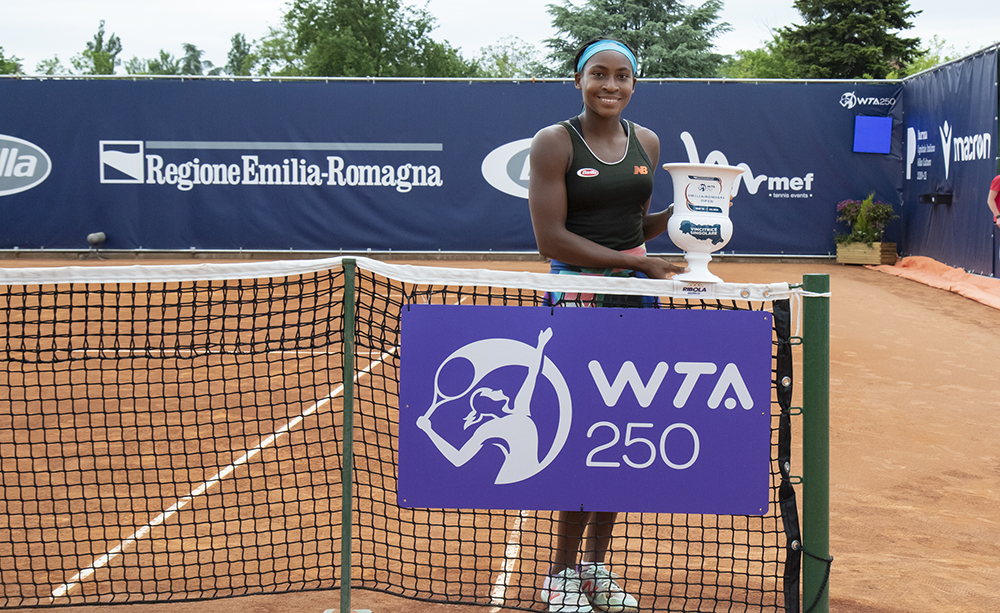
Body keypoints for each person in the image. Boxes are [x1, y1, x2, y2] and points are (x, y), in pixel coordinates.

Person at [527, 37, 682, 613]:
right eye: (598, 74)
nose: (610, 85)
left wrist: (691, 214)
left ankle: (594, 566)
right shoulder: (553, 143)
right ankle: (560, 573)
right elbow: (551, 239)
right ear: (578, 79)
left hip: (635, 294)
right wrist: (636, 259)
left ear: (635, 84)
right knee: (582, 432)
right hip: (577, 292)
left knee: (622, 431)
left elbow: (636, 224)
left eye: (622, 75)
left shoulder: (647, 142)